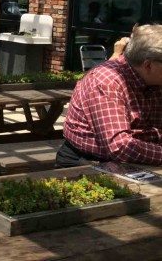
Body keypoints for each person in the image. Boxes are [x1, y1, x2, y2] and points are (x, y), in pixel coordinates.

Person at [56, 24, 162, 168]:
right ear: (148, 65)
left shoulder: (153, 80)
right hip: (88, 163)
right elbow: (120, 146)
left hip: (137, 159)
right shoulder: (107, 82)